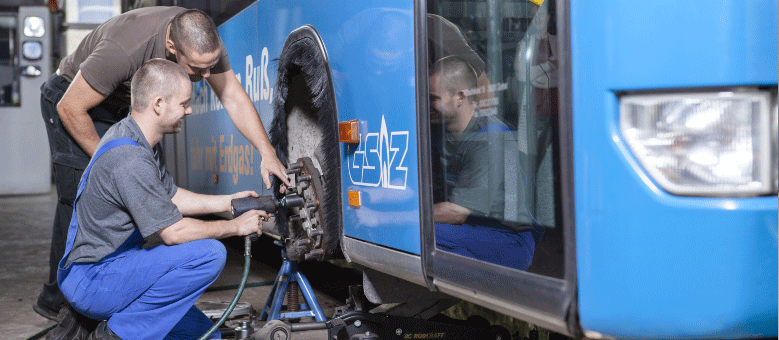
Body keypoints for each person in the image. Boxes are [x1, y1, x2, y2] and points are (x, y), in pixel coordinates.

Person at [36, 7, 290, 322]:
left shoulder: (200, 38)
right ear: (171, 48)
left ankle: (122, 282)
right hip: (73, 98)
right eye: (198, 69)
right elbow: (71, 106)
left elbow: (232, 96)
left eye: (210, 66)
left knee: (141, 193)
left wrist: (267, 152)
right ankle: (60, 305)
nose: (207, 77)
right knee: (82, 198)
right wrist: (113, 164)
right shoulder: (125, 49)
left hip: (121, 102)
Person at [51, 59, 268, 340]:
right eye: (183, 103)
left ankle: (115, 323)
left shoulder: (136, 138)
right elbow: (174, 233)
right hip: (93, 278)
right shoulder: (129, 159)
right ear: (158, 104)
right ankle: (111, 335)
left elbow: (171, 196)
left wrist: (229, 202)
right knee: (210, 255)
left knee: (207, 336)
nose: (189, 110)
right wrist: (236, 227)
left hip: (113, 265)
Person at [430, 56, 540, 270]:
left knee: (421, 233)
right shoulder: (440, 133)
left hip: (508, 240)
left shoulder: (490, 138)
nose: (425, 105)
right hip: (471, 231)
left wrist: (401, 215)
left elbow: (456, 213)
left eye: (433, 98)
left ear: (460, 97)